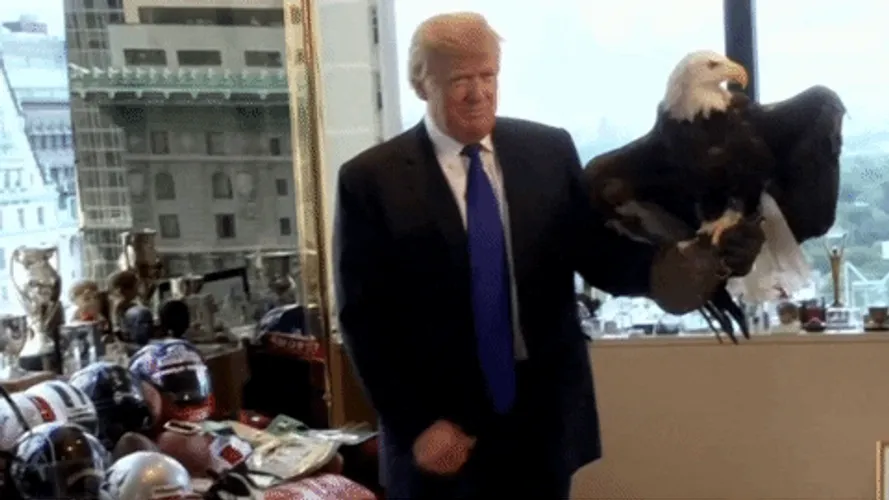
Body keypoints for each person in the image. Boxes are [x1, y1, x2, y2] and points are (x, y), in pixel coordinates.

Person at [333, 11, 765, 498]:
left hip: (541, 425)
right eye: (459, 80)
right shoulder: (372, 180)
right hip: (441, 434)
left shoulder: (546, 151)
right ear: (420, 84)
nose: (478, 92)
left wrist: (691, 264)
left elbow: (598, 254)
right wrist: (417, 424)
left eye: (488, 75)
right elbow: (364, 321)